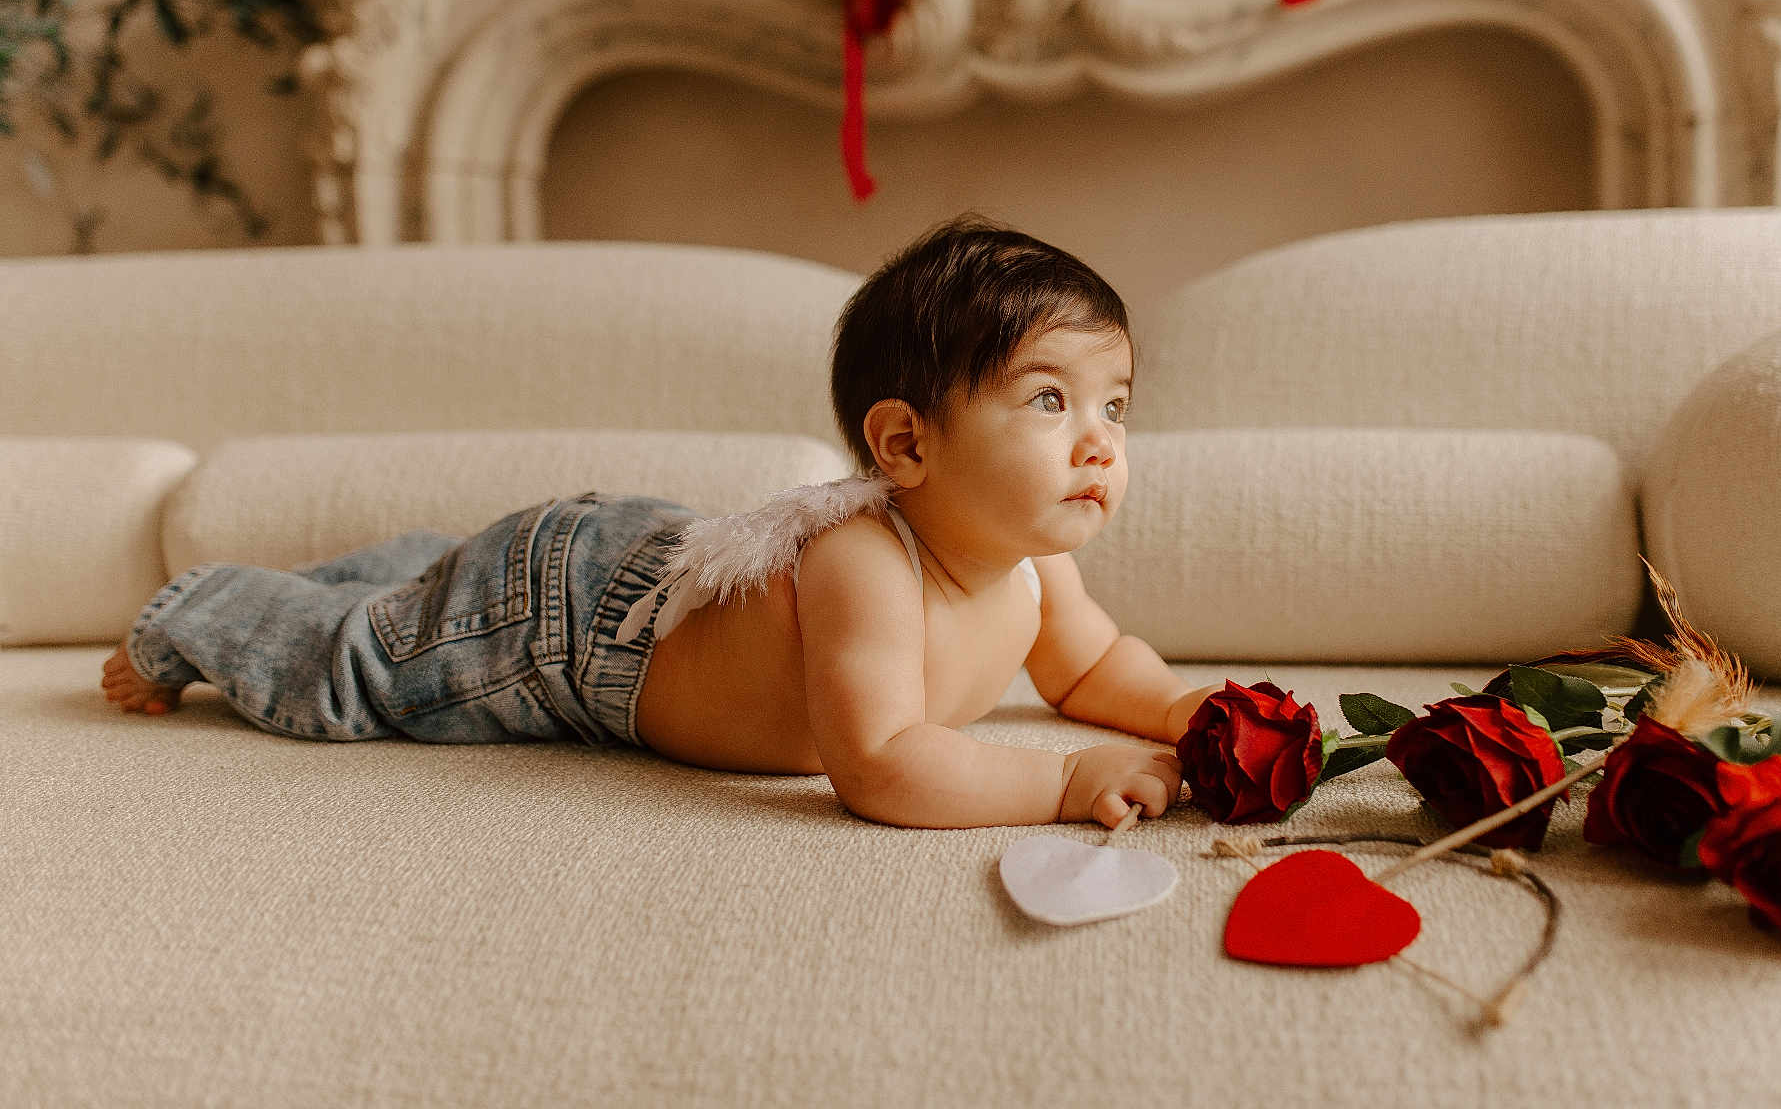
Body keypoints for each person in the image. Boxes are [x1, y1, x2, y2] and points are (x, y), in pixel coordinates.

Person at [100, 216, 1219, 829]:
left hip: (647, 562)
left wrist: (1183, 710)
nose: (1100, 441)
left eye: (1115, 404)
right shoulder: (865, 563)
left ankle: (412, 571)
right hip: (569, 623)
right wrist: (1062, 783)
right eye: (1049, 399)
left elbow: (1090, 670)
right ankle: (206, 607)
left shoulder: (1027, 568)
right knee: (361, 672)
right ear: (905, 445)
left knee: (423, 594)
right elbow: (879, 764)